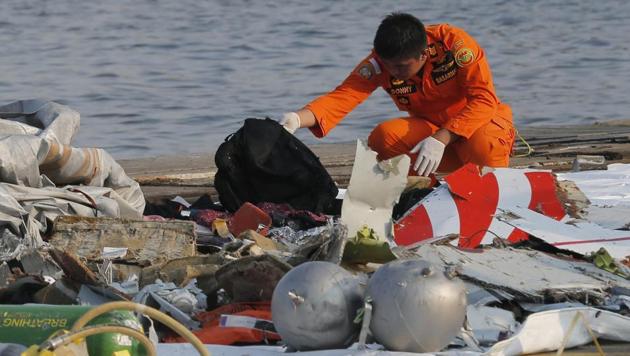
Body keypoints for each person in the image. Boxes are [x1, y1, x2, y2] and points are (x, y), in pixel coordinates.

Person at [279, 12, 515, 177]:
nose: (393, 72)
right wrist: (296, 119)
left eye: (401, 67)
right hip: (432, 137)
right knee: (383, 138)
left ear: (423, 55)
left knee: (485, 141)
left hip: (478, 130)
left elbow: (484, 100)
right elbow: (342, 97)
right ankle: (422, 192)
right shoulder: (381, 63)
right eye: (387, 64)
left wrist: (442, 137)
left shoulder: (454, 45)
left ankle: (495, 190)